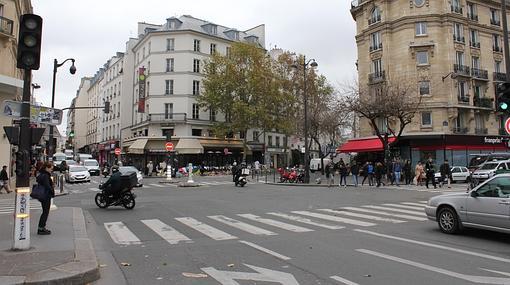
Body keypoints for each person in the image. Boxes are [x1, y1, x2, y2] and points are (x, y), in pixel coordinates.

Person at [36, 162, 55, 235]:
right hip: (46, 196)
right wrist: (51, 190)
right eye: (50, 168)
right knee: (45, 212)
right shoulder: (45, 176)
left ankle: (41, 227)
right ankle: (41, 228)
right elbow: (47, 186)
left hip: (43, 195)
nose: (51, 170)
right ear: (46, 168)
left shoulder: (41, 174)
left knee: (45, 212)